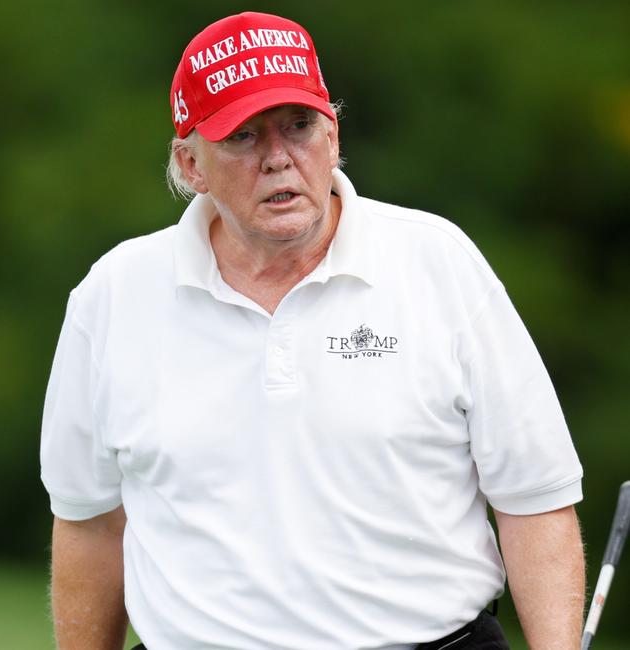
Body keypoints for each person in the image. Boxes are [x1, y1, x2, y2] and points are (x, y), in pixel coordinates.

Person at [40, 11, 586, 650]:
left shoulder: (438, 262)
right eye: (243, 137)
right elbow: (88, 523)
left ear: (333, 135)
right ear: (191, 164)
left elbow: (534, 499)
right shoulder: (112, 295)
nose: (278, 159)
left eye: (298, 127)